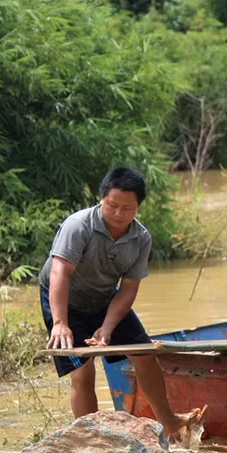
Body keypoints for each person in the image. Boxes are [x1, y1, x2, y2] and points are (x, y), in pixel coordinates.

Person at [39, 167, 199, 436]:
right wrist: (60, 322)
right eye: (112, 205)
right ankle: (90, 436)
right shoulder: (78, 226)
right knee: (83, 371)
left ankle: (168, 420)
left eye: (127, 208)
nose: (118, 214)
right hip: (66, 298)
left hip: (105, 295)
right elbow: (59, 273)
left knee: (145, 353)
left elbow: (128, 289)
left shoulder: (141, 238)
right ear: (102, 199)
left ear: (138, 208)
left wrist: (107, 328)